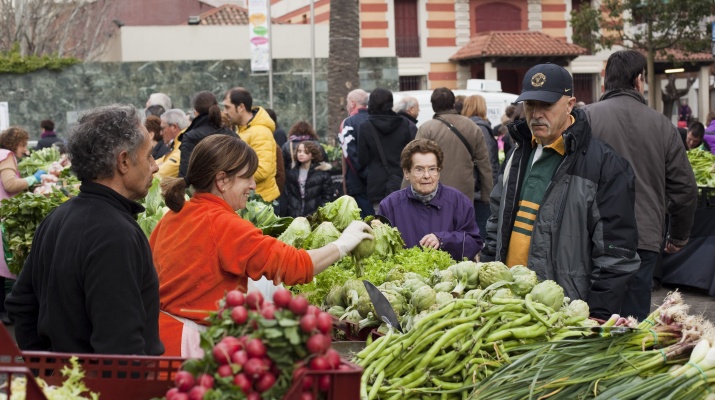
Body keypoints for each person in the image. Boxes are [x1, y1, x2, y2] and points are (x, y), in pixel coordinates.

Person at [149, 135, 372, 357]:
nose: (253, 185)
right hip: (190, 348)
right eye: (247, 177)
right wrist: (343, 244)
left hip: (160, 339)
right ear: (222, 180)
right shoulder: (223, 224)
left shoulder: (175, 215)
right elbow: (296, 266)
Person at [482, 63, 640, 320]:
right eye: (530, 105)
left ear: (570, 105)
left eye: (546, 105)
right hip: (509, 305)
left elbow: (616, 254)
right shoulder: (517, 155)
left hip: (564, 311)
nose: (536, 114)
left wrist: (597, 315)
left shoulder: (604, 165)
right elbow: (495, 222)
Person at [5, 105, 164, 355]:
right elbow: (120, 347)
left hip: (65, 386)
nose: (154, 167)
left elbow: (22, 304)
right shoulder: (116, 234)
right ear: (123, 161)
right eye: (148, 157)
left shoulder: (57, 217)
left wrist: (47, 372)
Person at [583, 50, 698, 321]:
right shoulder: (663, 125)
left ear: (605, 82)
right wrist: (678, 236)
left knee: (591, 318)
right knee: (632, 323)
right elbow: (684, 189)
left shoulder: (584, 118)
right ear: (638, 81)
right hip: (643, 236)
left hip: (593, 234)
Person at [379, 139, 482, 261]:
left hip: (449, 278)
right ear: (407, 172)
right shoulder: (389, 206)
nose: (427, 175)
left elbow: (474, 243)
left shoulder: (459, 202)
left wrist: (443, 240)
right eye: (419, 169)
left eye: (432, 169)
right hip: (405, 278)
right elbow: (381, 253)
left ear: (438, 172)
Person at [415, 88, 493, 204]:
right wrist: (487, 196)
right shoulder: (472, 126)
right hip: (464, 190)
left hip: (434, 192)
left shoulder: (426, 129)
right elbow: (484, 164)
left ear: (433, 106)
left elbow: (415, 162)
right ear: (453, 104)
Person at [0, 127, 45, 325]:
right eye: (23, 144)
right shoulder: (6, 155)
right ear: (14, 143)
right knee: (4, 267)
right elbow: (9, 184)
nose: (25, 149)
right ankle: (5, 312)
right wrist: (33, 178)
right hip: (3, 215)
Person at [357, 88, 413, 213]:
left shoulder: (365, 127)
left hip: (377, 184)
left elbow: (362, 159)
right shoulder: (403, 124)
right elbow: (410, 153)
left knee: (381, 225)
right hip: (401, 180)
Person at [222, 87, 280, 203]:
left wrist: (231, 174)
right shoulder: (243, 130)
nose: (224, 112)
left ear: (241, 107)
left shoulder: (260, 132)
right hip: (252, 199)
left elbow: (263, 170)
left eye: (228, 107)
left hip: (262, 203)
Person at [461, 94, 500, 239]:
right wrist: (490, 189)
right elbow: (488, 162)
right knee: (482, 228)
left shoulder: (462, 126)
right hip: (480, 189)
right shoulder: (482, 128)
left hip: (467, 185)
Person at [179, 91, 237, 178]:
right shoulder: (233, 135)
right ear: (217, 106)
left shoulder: (191, 137)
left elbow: (185, 173)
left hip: (202, 189)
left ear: (195, 112)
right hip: (230, 188)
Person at [338, 89, 372, 218]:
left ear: (352, 103)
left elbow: (350, 156)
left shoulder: (348, 123)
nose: (346, 106)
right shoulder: (373, 119)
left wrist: (364, 175)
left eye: (347, 102)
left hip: (358, 182)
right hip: (377, 182)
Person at [285, 141, 332, 217]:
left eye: (305, 152)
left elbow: (327, 196)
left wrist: (320, 213)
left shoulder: (322, 174)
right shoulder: (292, 173)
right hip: (295, 214)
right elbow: (288, 194)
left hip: (314, 215)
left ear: (313, 155)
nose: (301, 154)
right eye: (299, 151)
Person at [155, 109, 189, 179]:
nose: (161, 133)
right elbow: (160, 161)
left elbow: (160, 174)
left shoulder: (183, 146)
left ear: (174, 127)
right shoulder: (179, 143)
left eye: (163, 128)